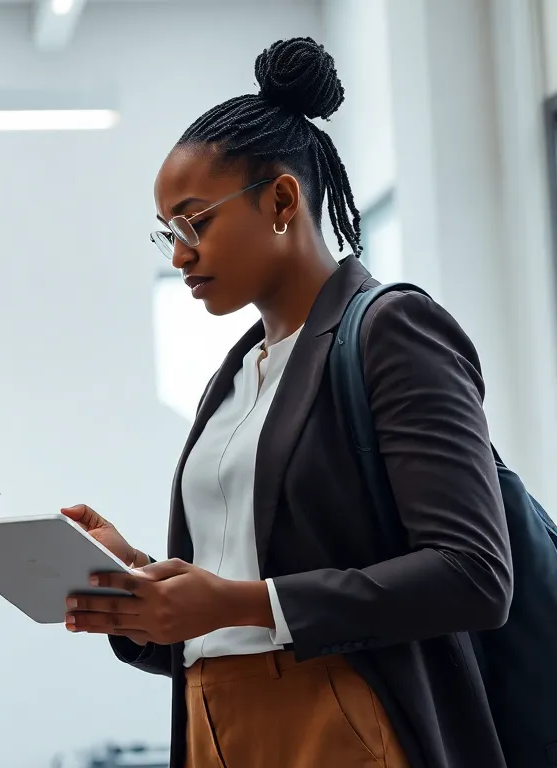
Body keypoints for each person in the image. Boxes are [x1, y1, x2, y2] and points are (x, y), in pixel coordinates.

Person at [59, 37, 512, 768]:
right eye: (167, 233)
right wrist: (137, 578)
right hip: (213, 718)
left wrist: (241, 603)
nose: (178, 254)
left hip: (342, 718)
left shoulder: (391, 330)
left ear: (281, 199)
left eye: (194, 222)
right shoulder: (235, 377)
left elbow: (473, 574)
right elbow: (233, 590)